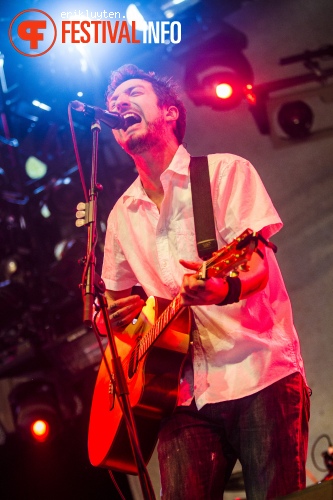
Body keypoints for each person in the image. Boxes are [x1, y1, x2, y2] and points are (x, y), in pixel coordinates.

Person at [100, 64, 310, 499]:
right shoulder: (120, 215)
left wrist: (224, 289)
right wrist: (120, 323)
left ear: (170, 112)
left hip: (259, 375)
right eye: (112, 103)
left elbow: (256, 266)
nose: (118, 104)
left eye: (133, 92)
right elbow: (114, 309)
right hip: (179, 397)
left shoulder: (225, 173)